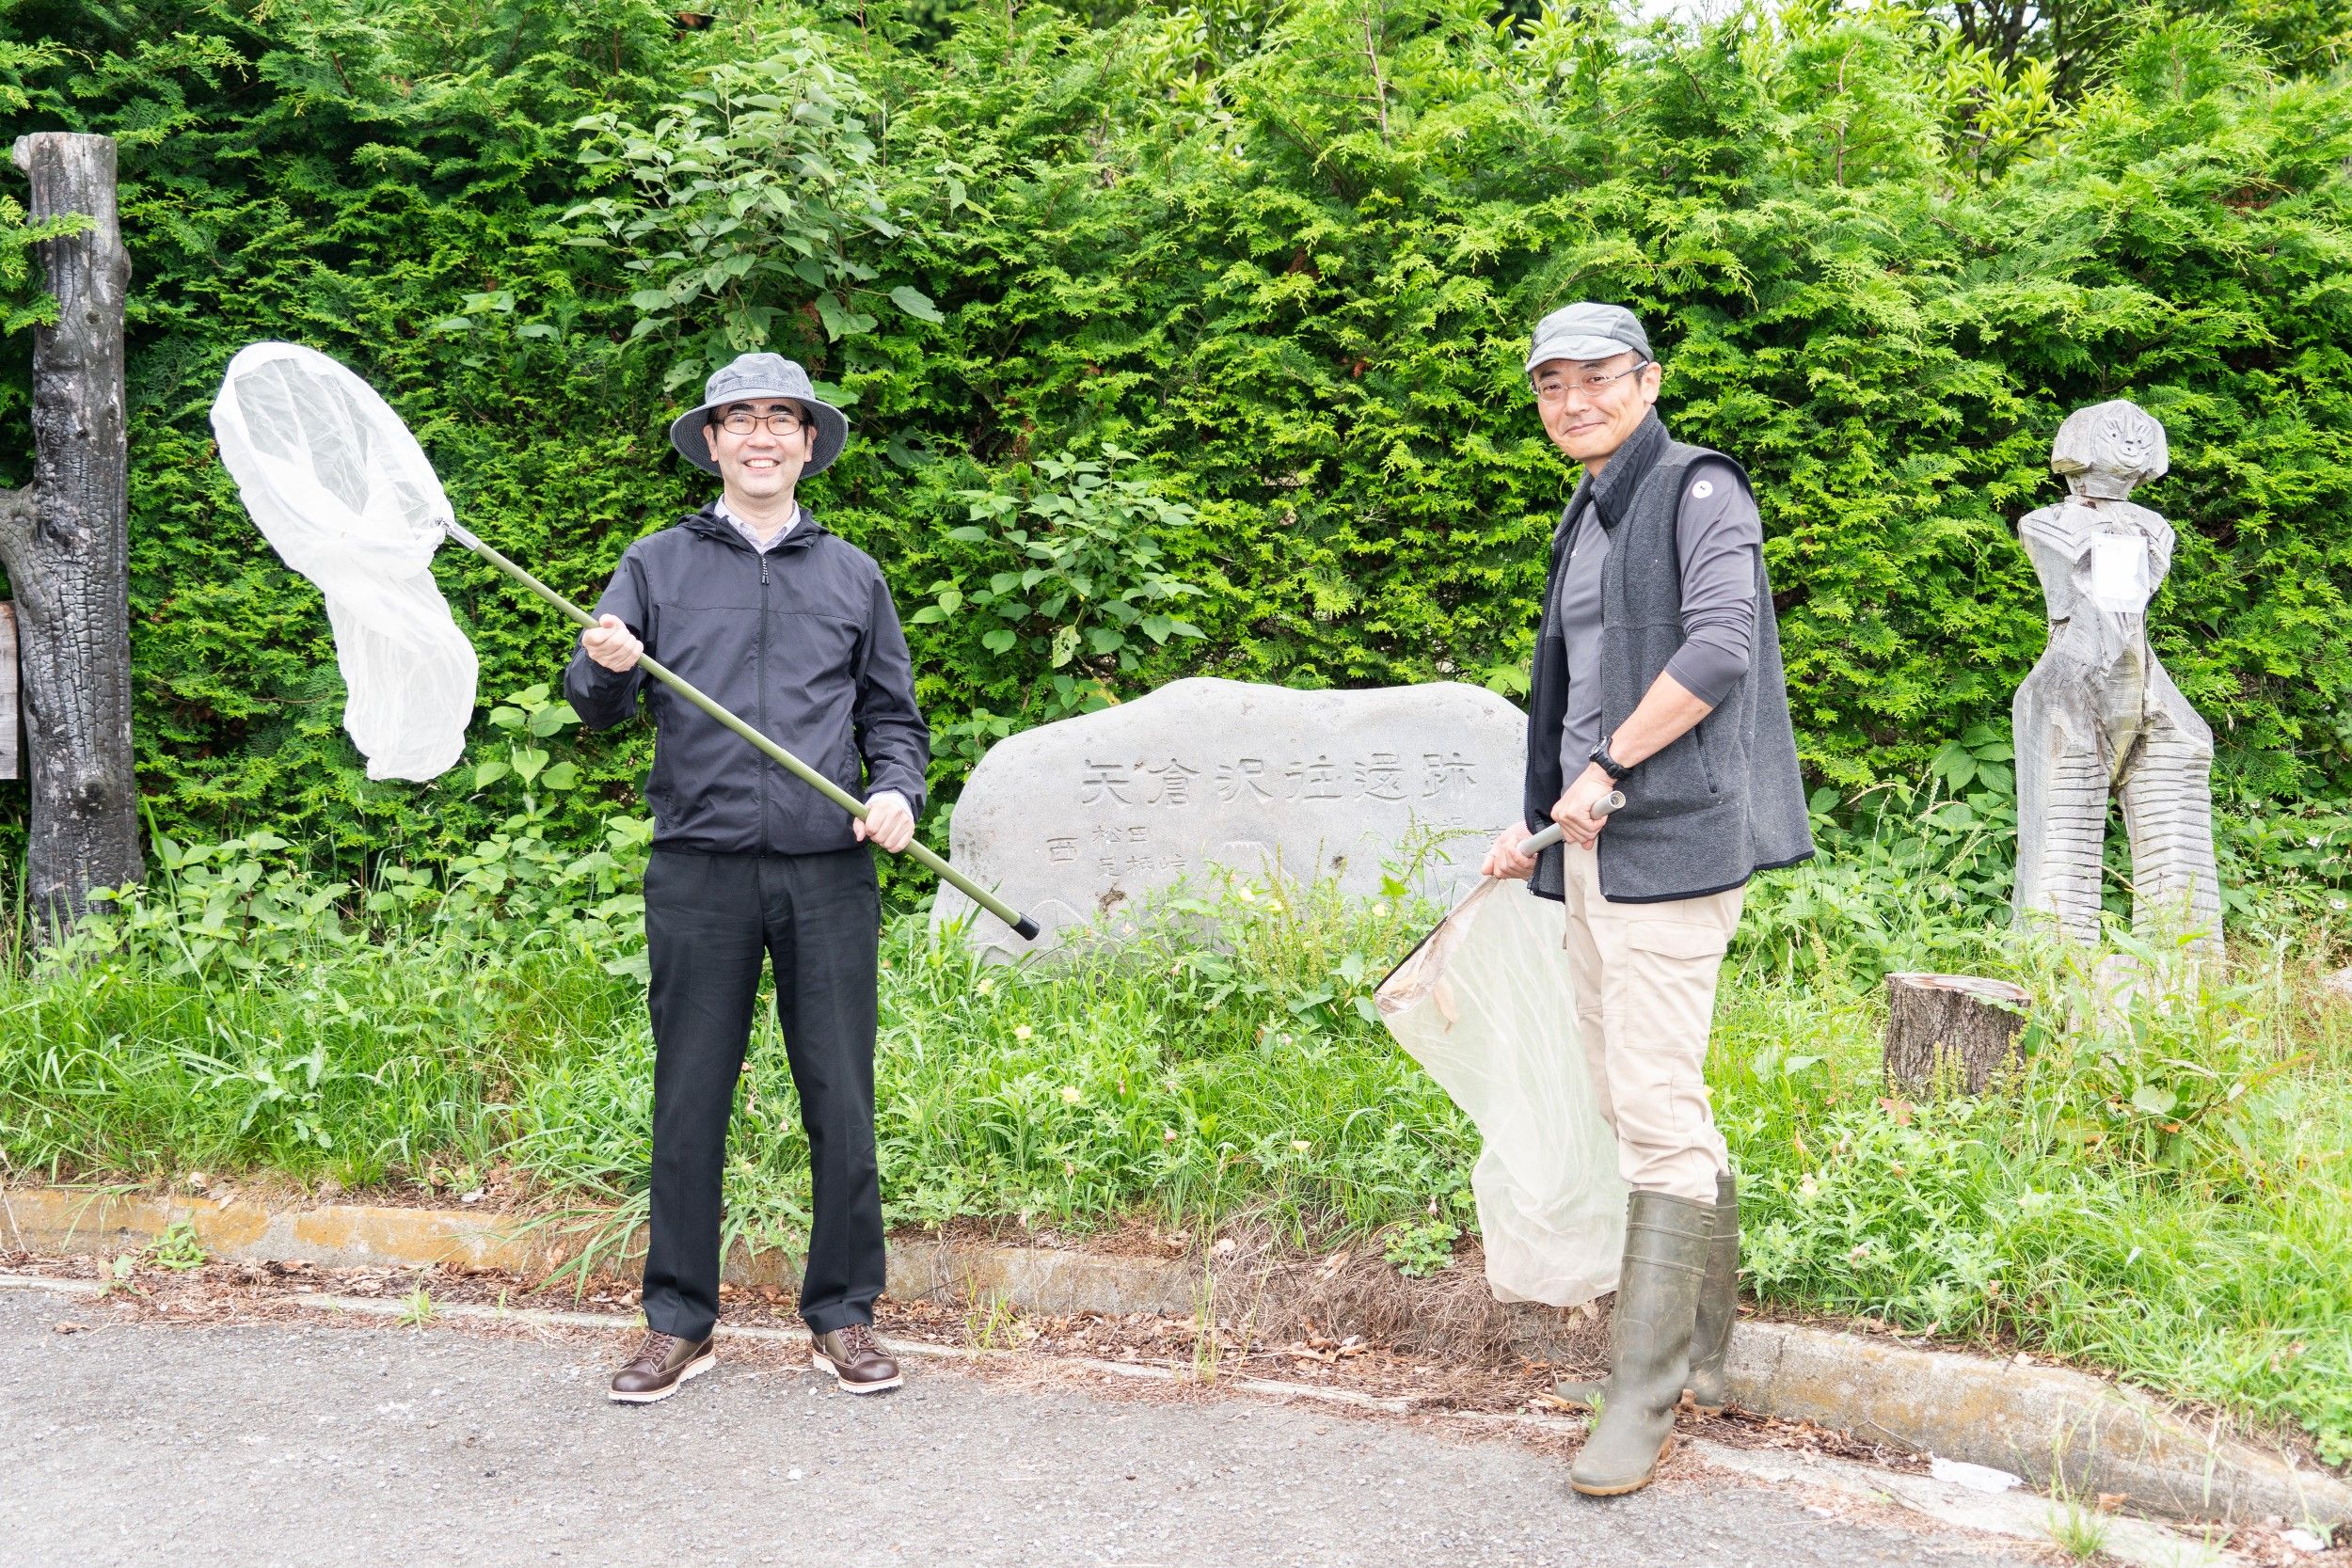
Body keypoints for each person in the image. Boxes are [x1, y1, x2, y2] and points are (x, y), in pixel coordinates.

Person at [1479, 303, 1813, 1496]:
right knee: (1637, 1099)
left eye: (1597, 377)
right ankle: (1698, 1359)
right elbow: (1578, 691)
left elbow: (1717, 650)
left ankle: (1643, 1394)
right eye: (1550, 384)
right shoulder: (1589, 508)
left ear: (1648, 379)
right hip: (1591, 846)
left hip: (1670, 845)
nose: (1572, 401)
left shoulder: (1697, 488)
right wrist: (1537, 818)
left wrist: (1610, 767)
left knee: (1657, 1108)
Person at [565, 353, 930, 1404]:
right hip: (699, 869)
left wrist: (896, 792)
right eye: (740, 418)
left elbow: (893, 719)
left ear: (808, 444)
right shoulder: (655, 563)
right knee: (688, 1097)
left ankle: (843, 1314)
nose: (761, 435)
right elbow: (593, 702)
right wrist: (605, 664)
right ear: (713, 442)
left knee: (841, 1095)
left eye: (781, 418)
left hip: (828, 872)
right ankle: (678, 1321)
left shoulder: (852, 574)